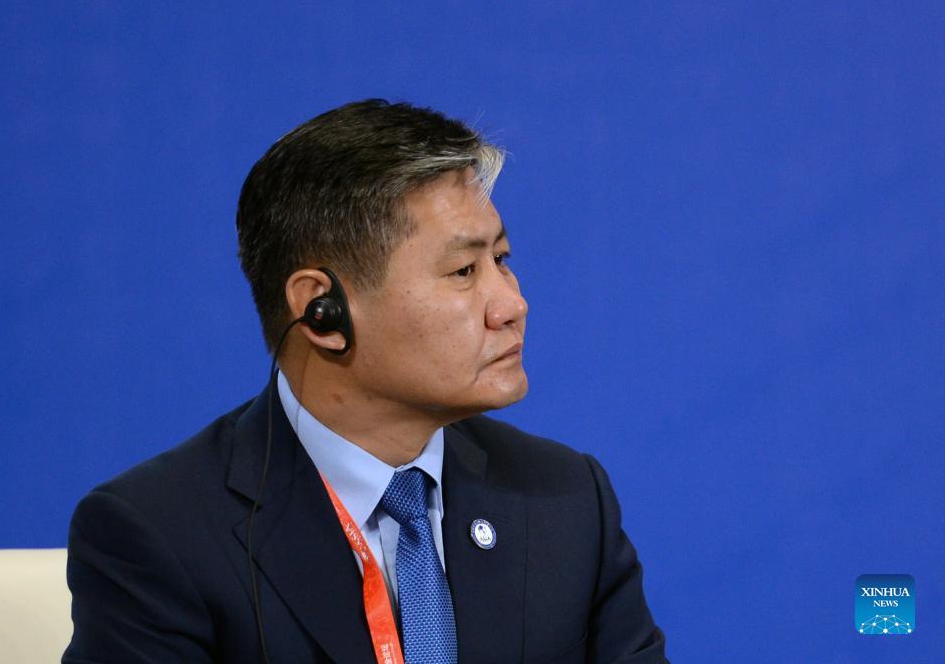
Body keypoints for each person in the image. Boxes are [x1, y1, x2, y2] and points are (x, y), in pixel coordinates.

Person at [63, 99, 668, 664]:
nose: (512, 304)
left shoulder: (565, 499)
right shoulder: (159, 537)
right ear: (322, 312)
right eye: (463, 270)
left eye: (501, 260)